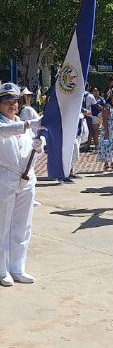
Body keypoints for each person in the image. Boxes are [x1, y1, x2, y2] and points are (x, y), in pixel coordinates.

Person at [0, 83, 45, 286]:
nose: (12, 106)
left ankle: (17, 267)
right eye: (7, 102)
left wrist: (38, 147)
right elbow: (7, 131)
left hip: (27, 180)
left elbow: (30, 149)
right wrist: (30, 125)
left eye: (15, 102)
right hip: (5, 180)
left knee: (22, 226)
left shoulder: (23, 123)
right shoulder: (7, 125)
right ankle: (2, 270)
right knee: (3, 226)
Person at [99, 88, 113, 172]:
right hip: (109, 129)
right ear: (111, 97)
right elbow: (104, 119)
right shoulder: (107, 106)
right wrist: (106, 132)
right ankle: (106, 164)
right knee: (107, 146)